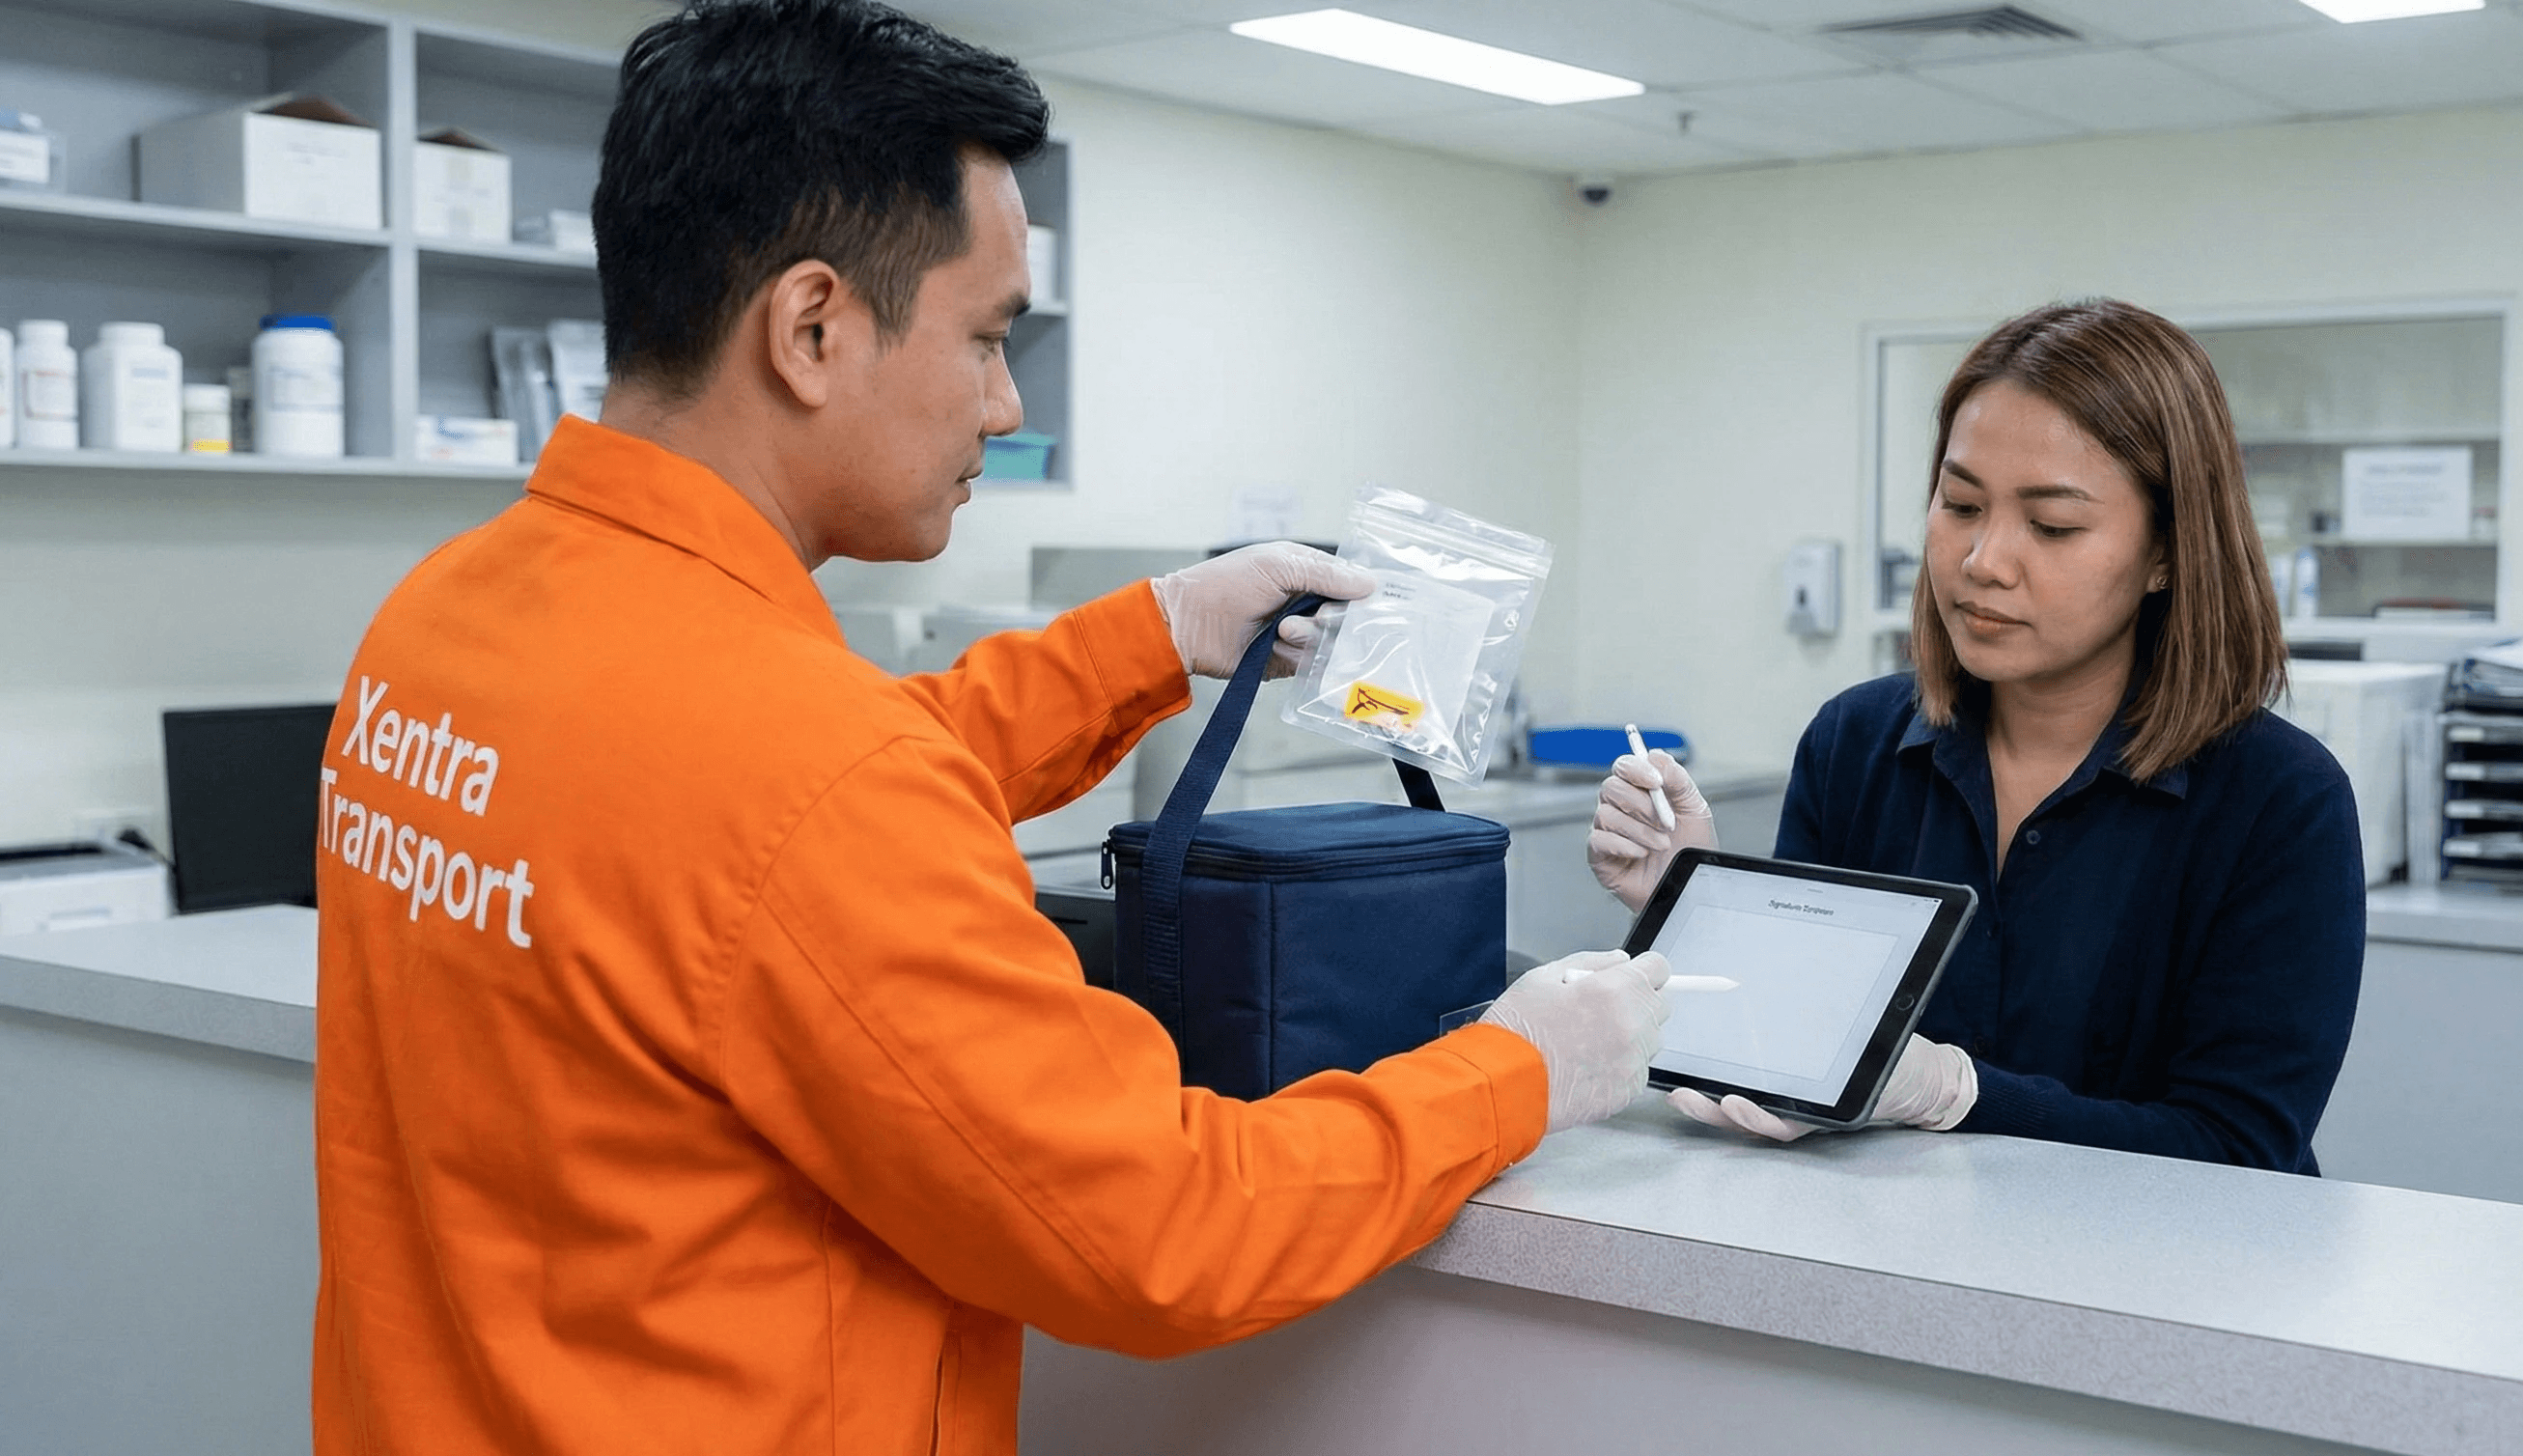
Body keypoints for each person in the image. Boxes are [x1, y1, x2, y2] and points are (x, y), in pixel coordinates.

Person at [310, 3, 1671, 1453]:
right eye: (987, 338)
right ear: (813, 328)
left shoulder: (442, 621)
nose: (1006, 402)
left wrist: (1157, 632)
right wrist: (1517, 1069)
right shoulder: (803, 774)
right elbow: (1160, 1223)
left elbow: (746, 830)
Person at [1589, 298, 2363, 1172]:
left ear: (2167, 554)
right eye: (1959, 505)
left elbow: (2240, 1146)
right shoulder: (1854, 743)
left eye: (2052, 526)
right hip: (1889, 1256)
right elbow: (1787, 1052)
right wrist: (1696, 912)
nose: (1982, 561)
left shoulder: (2279, 799)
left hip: (2161, 1275)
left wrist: (1956, 1093)